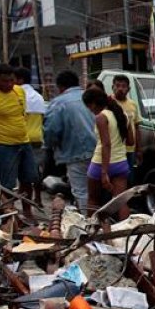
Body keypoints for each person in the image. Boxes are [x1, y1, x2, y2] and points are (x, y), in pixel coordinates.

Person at [0, 63, 37, 217]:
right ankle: (8, 215)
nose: (9, 84)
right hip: (4, 146)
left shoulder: (19, 91)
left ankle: (28, 212)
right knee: (8, 184)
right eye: (4, 81)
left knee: (28, 179)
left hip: (24, 142)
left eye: (11, 80)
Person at [44, 71, 96, 209]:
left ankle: (88, 224)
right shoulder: (91, 97)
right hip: (101, 150)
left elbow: (51, 131)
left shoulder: (59, 103)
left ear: (60, 87)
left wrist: (51, 147)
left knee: (81, 191)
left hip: (77, 153)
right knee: (97, 191)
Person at [82, 88, 133, 219]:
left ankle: (91, 232)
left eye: (88, 107)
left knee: (93, 200)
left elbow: (106, 144)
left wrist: (104, 172)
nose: (90, 110)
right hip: (121, 163)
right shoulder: (123, 115)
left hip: (100, 164)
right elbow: (131, 141)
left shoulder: (101, 117)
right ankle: (124, 234)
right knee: (121, 202)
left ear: (93, 104)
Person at [16, 67, 47, 206]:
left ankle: (26, 202)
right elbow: (43, 118)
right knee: (37, 171)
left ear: (20, 80)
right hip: (38, 138)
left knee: (24, 174)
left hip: (23, 139)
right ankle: (38, 198)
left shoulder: (18, 96)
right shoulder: (38, 96)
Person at [111, 75, 143, 184]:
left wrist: (138, 149)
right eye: (117, 85)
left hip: (130, 150)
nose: (120, 88)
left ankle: (128, 200)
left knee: (130, 178)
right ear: (112, 87)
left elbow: (137, 128)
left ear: (128, 89)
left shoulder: (133, 104)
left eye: (124, 86)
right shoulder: (109, 103)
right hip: (114, 150)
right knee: (114, 179)